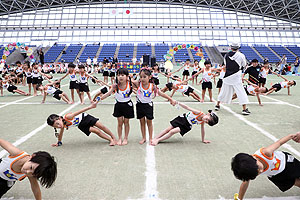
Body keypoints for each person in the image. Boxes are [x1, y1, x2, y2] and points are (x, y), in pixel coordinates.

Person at [231, 132, 300, 200]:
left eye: (259, 168)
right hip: (276, 175)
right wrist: (240, 198)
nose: (261, 171)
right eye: (257, 173)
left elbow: (279, 143)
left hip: (288, 164)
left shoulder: (266, 153)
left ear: (254, 158)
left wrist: (292, 136)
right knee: (294, 182)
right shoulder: (251, 170)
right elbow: (245, 183)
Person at [133, 68, 176, 144]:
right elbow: (129, 80)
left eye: (144, 77)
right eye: (141, 77)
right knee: (142, 122)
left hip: (148, 105)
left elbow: (161, 93)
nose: (142, 79)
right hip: (139, 105)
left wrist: (170, 99)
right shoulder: (138, 84)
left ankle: (150, 138)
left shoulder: (152, 86)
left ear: (149, 77)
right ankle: (143, 137)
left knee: (149, 122)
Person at [47, 102, 116, 146]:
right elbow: (61, 134)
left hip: (85, 118)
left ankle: (113, 136)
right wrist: (59, 142)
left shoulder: (68, 117)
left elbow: (78, 112)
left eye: (58, 123)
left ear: (59, 118)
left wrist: (90, 107)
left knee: (101, 126)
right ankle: (110, 139)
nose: (59, 126)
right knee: (96, 131)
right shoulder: (63, 125)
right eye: (57, 126)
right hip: (80, 125)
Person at [151, 102, 219, 146]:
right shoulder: (199, 113)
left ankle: (158, 140)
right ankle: (155, 138)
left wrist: (203, 139)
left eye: (207, 122)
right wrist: (178, 103)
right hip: (182, 119)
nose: (205, 121)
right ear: (208, 114)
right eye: (207, 119)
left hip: (187, 125)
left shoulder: (202, 121)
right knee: (168, 129)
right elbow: (187, 108)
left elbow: (202, 129)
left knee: (172, 131)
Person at [99, 68, 134, 146]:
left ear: (127, 76)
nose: (120, 77)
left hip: (127, 105)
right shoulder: (115, 86)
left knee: (126, 122)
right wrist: (99, 98)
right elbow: (108, 93)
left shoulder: (130, 84)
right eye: (118, 75)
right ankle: (120, 138)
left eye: (122, 75)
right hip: (118, 105)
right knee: (119, 123)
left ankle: (125, 138)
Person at [215, 42, 250, 115]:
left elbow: (226, 64)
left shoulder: (226, 55)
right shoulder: (241, 55)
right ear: (238, 48)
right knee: (241, 92)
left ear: (231, 47)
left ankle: (217, 105)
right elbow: (244, 65)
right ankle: (244, 109)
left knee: (223, 91)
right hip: (236, 76)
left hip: (227, 76)